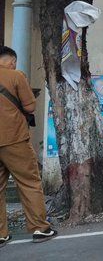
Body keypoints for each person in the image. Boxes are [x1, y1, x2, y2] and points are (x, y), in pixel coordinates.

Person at [0, 46, 57, 248]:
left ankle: (1, 234)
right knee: (29, 182)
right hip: (14, 139)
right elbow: (30, 106)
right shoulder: (16, 76)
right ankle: (40, 228)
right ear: (12, 61)